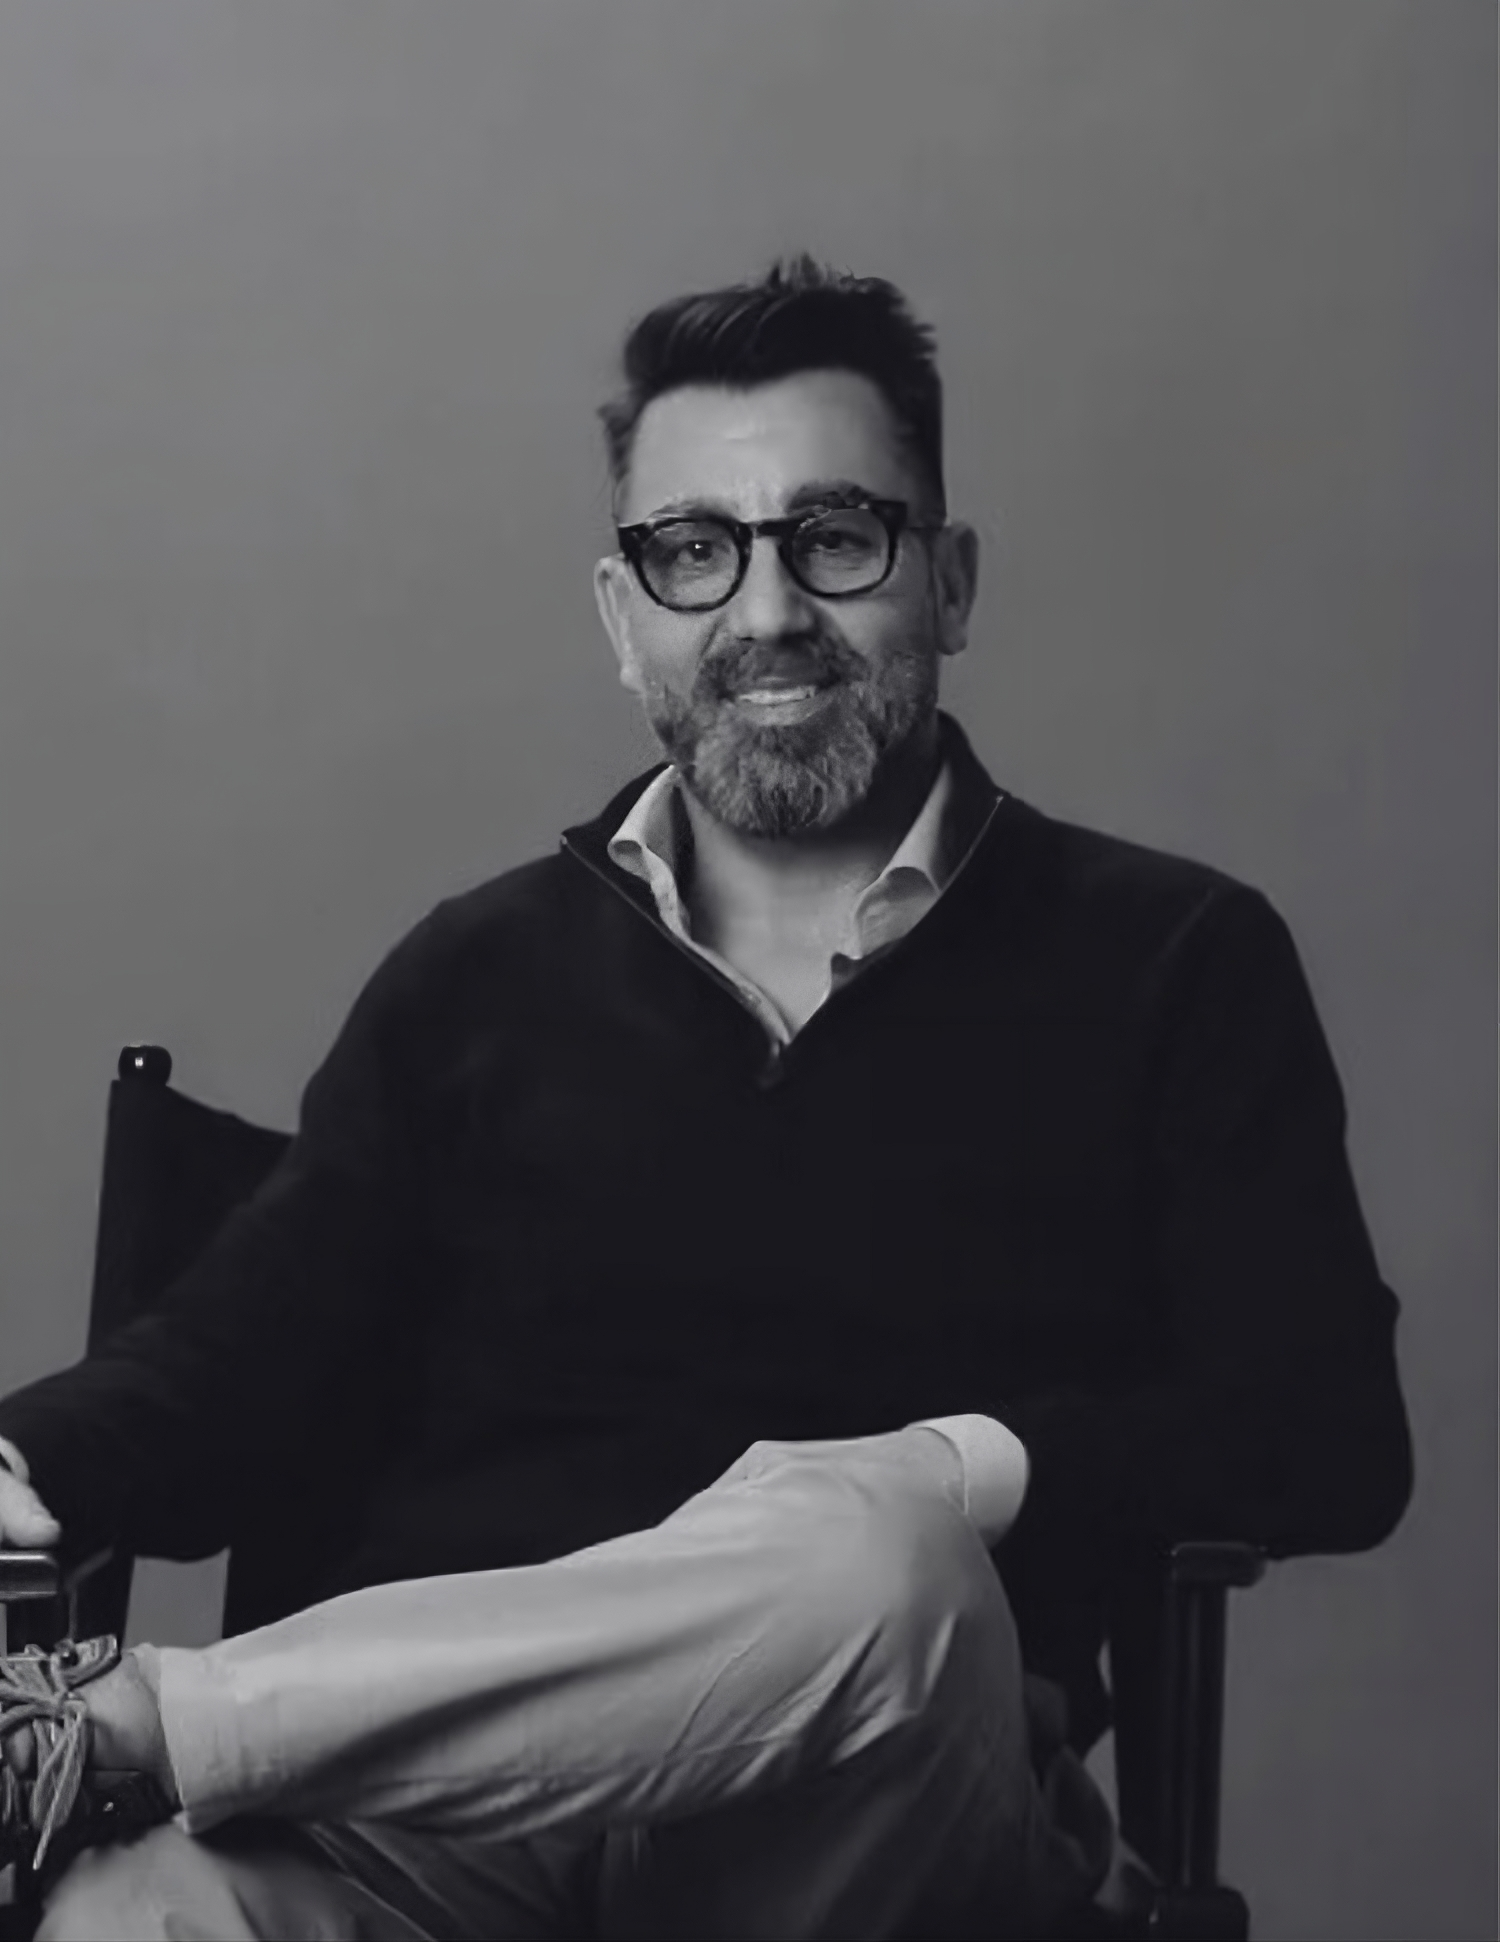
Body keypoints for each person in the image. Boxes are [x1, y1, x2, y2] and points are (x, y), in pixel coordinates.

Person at [0, 258, 1412, 1940]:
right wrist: (16, 1455)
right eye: (694, 551)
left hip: (875, 1813)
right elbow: (224, 1370)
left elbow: (1326, 1434)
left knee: (866, 1544)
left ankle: (121, 1734)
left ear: (950, 581)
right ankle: (112, 1769)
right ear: (623, 615)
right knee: (131, 1919)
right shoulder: (474, 977)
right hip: (429, 1828)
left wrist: (955, 1471)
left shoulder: (1173, 961)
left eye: (834, 536)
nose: (763, 613)